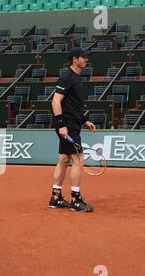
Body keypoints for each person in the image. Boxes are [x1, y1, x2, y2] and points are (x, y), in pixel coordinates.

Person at [49, 47, 96, 213]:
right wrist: (62, 125)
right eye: (83, 57)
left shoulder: (76, 78)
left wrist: (84, 120)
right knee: (78, 159)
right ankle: (76, 200)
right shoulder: (67, 77)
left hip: (73, 124)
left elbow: (73, 104)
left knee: (63, 159)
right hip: (67, 126)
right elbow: (55, 102)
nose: (86, 60)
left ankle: (55, 197)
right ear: (75, 59)